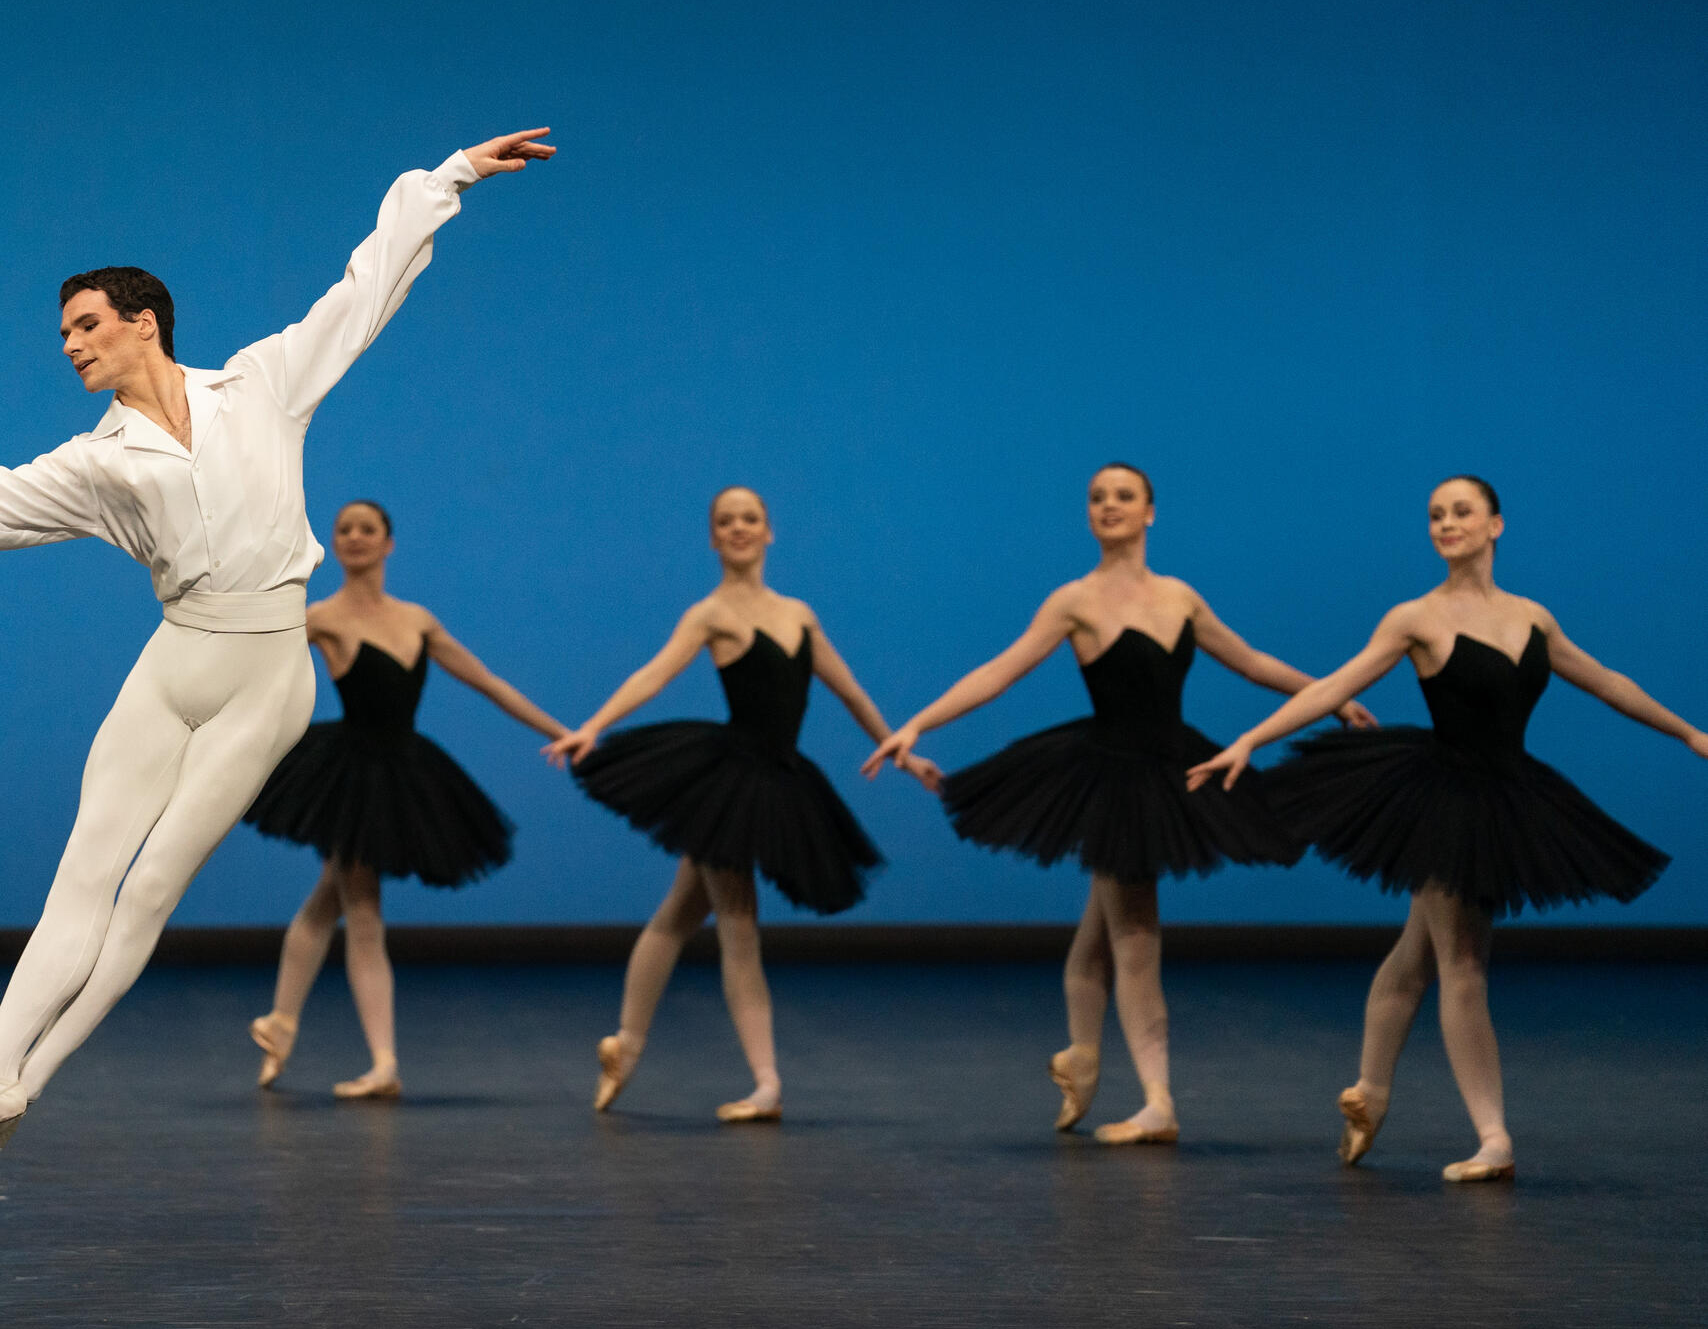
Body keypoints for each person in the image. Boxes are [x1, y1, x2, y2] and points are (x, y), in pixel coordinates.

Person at [0, 129, 554, 1181]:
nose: (68, 346)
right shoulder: (96, 463)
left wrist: (449, 177)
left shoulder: (260, 386)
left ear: (140, 322)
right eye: (62, 333)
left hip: (267, 677)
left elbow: (363, 289)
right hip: (174, 666)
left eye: (83, 326)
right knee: (85, 877)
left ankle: (30, 1076)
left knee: (151, 886)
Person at [1188, 475, 1703, 1182]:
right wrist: (1250, 737)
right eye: (1435, 514)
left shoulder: (1534, 620)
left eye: (1462, 511)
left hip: (1507, 794)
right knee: (1462, 961)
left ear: (1496, 524)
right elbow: (1335, 684)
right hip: (1441, 797)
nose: (1446, 522)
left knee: (1419, 953)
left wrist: (1688, 732)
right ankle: (1494, 1136)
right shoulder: (1416, 617)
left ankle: (1369, 1091)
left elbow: (1608, 680)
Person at [865, 464, 1375, 1144]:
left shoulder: (1180, 598)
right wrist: (917, 723)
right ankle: (1157, 1098)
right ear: (1088, 515)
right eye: (1097, 498)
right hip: (1107, 775)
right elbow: (1000, 669)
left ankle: (1083, 1055)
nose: (1109, 506)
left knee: (1104, 928)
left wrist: (1331, 695)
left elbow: (1250, 660)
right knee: (1134, 929)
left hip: (1169, 767)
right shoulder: (1073, 601)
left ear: (1150, 512)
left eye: (1123, 497)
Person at [544, 487, 939, 1123]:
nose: (738, 528)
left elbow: (850, 691)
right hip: (729, 779)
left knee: (677, 914)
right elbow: (655, 673)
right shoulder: (710, 614)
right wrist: (594, 725)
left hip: (778, 776)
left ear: (769, 531)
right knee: (737, 919)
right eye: (724, 521)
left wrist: (901, 751)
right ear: (712, 538)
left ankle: (627, 1044)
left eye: (749, 518)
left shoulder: (799, 615)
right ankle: (765, 1083)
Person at [243, 499, 565, 1099]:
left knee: (331, 896)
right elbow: (255, 670)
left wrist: (559, 732)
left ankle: (283, 1023)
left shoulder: (418, 620)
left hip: (402, 770)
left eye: (369, 529)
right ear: (334, 545)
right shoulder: (320, 617)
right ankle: (382, 1061)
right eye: (346, 530)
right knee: (361, 908)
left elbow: (488, 681)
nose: (357, 537)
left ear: (389, 543)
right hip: (350, 771)